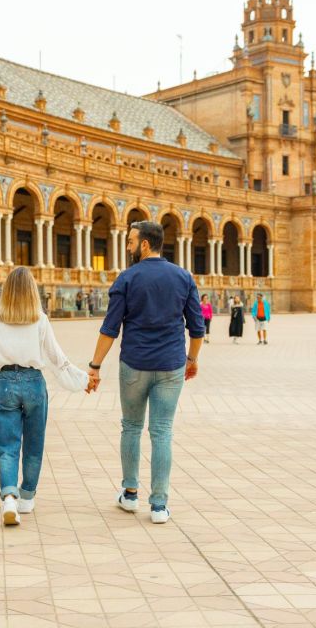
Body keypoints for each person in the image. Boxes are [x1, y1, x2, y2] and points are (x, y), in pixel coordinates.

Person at [87, 221, 203, 524]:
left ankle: (130, 494)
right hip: (171, 365)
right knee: (162, 431)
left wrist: (95, 366)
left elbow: (110, 328)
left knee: (131, 427)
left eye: (130, 242)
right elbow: (197, 328)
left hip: (135, 364)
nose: (127, 247)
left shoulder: (127, 278)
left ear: (145, 245)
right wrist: (192, 359)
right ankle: (159, 505)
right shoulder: (183, 277)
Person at [0, 267, 89, 526]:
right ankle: (27, 497)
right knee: (34, 445)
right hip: (34, 383)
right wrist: (82, 380)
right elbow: (57, 359)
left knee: (7, 447)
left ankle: (9, 497)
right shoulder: (39, 319)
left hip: (4, 383)